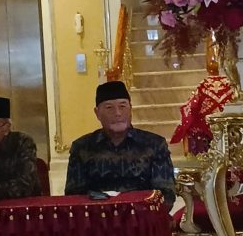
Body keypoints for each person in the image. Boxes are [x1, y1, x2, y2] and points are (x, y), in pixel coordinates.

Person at [64, 81, 175, 209]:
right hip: (98, 217)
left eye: (122, 106)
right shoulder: (82, 148)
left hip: (143, 217)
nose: (117, 113)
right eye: (109, 108)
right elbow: (73, 199)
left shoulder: (154, 145)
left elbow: (166, 196)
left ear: (130, 109)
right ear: (97, 113)